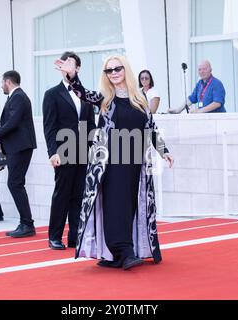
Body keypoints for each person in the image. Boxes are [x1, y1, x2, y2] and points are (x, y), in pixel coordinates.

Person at [55, 55, 174, 270]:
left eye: (117, 68)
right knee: (116, 206)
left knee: (129, 207)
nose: (114, 73)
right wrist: (72, 76)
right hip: (113, 163)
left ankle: (116, 255)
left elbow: (151, 129)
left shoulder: (140, 100)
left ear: (125, 69)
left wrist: (164, 151)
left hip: (136, 164)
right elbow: (82, 93)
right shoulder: (105, 100)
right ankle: (124, 252)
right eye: (109, 71)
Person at [42, 52, 97, 250]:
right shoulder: (52, 94)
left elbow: (91, 125)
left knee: (79, 195)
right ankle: (54, 236)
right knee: (62, 194)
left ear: (78, 69)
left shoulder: (86, 95)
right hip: (63, 151)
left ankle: (75, 236)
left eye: (72, 64)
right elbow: (49, 126)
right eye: (64, 63)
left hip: (83, 151)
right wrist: (52, 152)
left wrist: (94, 152)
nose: (68, 67)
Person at [0, 71, 37, 238]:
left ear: (8, 82)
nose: (1, 86)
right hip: (17, 146)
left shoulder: (18, 97)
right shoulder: (16, 97)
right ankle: (26, 222)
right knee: (15, 183)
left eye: (2, 82)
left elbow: (13, 122)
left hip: (20, 147)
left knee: (14, 183)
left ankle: (27, 224)